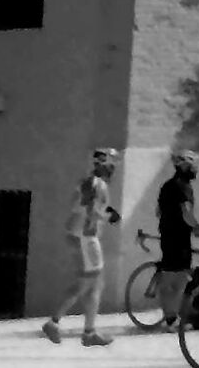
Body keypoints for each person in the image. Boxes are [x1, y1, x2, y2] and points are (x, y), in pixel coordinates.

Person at [43, 146, 121, 345]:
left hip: (80, 235)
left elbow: (82, 205)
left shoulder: (88, 182)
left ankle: (89, 332)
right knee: (85, 283)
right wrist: (108, 216)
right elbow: (92, 211)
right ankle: (54, 322)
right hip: (85, 237)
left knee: (95, 286)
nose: (113, 169)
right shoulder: (97, 185)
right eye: (111, 165)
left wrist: (105, 213)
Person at [150, 150, 199, 329]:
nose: (196, 169)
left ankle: (170, 317)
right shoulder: (183, 186)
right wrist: (196, 226)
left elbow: (158, 211)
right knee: (179, 278)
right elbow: (186, 211)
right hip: (179, 238)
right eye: (193, 166)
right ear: (185, 166)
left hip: (168, 235)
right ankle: (172, 319)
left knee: (171, 277)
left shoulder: (168, 185)